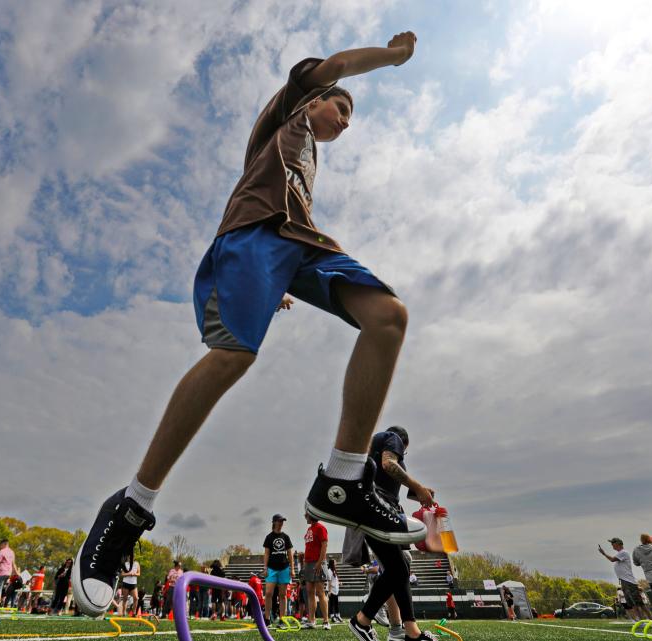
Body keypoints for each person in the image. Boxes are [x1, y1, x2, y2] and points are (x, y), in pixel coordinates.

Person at [71, 31, 427, 617]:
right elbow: (336, 65)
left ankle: (343, 479)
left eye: (349, 115)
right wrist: (391, 57)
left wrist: (282, 283)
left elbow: (298, 209)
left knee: (388, 317)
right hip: (254, 236)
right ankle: (130, 506)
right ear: (312, 99)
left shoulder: (307, 161)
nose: (344, 119)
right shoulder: (286, 111)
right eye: (339, 106)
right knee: (235, 355)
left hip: (300, 245)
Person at [349, 426, 437, 641]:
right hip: (377, 509)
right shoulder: (392, 437)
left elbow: (393, 482)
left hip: (378, 508)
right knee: (398, 568)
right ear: (403, 444)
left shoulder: (376, 452)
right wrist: (417, 485)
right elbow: (389, 464)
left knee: (400, 568)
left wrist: (421, 492)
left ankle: (409, 631)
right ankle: (363, 620)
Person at [599, 538, 652, 621]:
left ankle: (651, 620)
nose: (612, 545)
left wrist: (604, 554)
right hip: (625, 582)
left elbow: (612, 559)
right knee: (632, 603)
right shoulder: (620, 553)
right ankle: (640, 620)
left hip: (629, 582)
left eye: (613, 543)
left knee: (639, 603)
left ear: (618, 544)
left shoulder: (623, 552)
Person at [262, 515, 294, 627]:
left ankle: (282, 619)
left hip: (284, 568)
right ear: (274, 522)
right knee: (268, 593)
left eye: (282, 521)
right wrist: (265, 568)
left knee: (283, 595)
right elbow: (266, 553)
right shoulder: (269, 537)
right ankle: (266, 619)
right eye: (279, 521)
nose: (281, 523)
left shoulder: (286, 537)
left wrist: (292, 569)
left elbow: (290, 554)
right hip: (271, 568)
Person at [302, 513, 330, 629]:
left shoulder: (321, 528)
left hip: (318, 562)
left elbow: (324, 545)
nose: (305, 516)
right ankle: (311, 621)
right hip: (308, 563)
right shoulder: (309, 529)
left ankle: (326, 621)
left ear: (311, 516)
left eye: (307, 515)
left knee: (320, 592)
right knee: (309, 592)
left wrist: (320, 562)